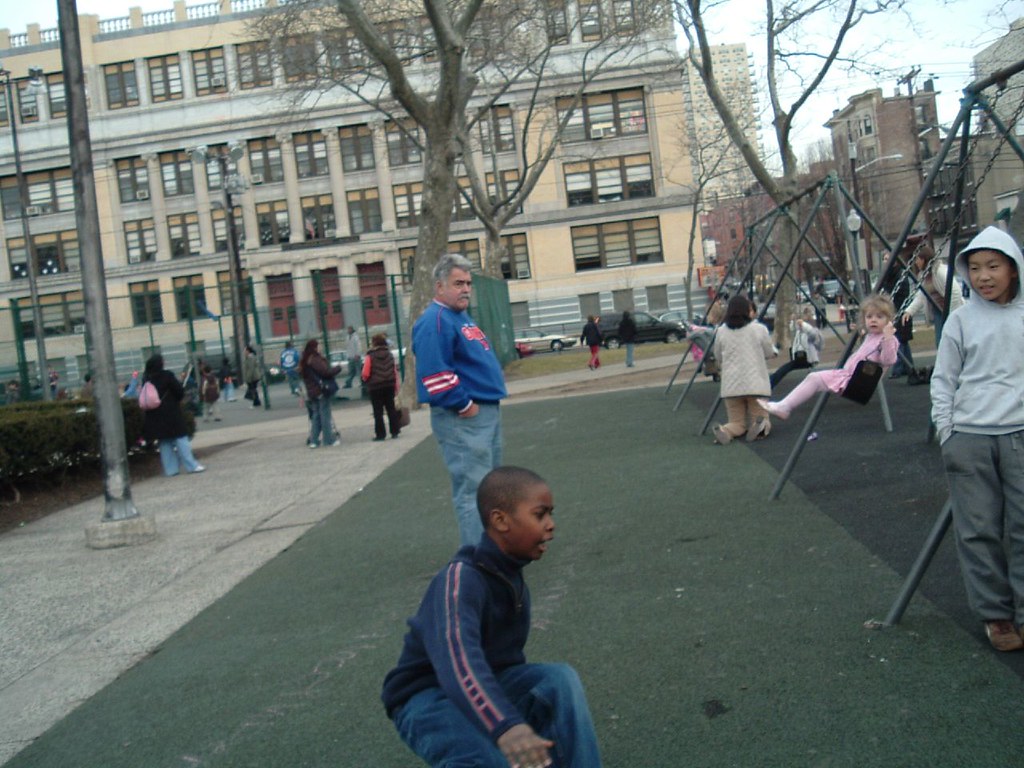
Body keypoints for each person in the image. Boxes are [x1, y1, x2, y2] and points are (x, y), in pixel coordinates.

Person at [381, 466, 602, 768]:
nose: (551, 525)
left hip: (488, 684)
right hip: (426, 697)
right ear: (500, 520)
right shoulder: (461, 579)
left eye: (551, 514)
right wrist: (506, 725)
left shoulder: (509, 575)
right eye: (540, 515)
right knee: (488, 760)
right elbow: (458, 662)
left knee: (558, 680)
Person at [930, 226, 1024, 652]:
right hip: (970, 437)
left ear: (1013, 268)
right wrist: (947, 431)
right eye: (976, 267)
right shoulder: (962, 319)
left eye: (994, 266)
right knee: (979, 528)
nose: (984, 276)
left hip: (1019, 434)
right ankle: (997, 615)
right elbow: (944, 379)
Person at [413, 253, 508, 547]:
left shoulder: (459, 316)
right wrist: (465, 405)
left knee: (489, 488)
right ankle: (477, 558)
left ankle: (490, 550)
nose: (466, 288)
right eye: (458, 283)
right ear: (439, 286)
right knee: (473, 490)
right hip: (463, 418)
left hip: (484, 414)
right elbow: (435, 374)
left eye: (468, 283)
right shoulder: (435, 319)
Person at [760, 293, 898, 420]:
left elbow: (889, 359)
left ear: (889, 321)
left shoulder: (889, 340)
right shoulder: (871, 336)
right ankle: (784, 406)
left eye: (879, 317)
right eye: (869, 317)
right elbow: (868, 346)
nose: (873, 320)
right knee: (813, 378)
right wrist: (861, 331)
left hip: (859, 383)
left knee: (814, 378)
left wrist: (888, 338)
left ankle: (784, 407)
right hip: (848, 377)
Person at [710, 295, 777, 444]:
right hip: (756, 384)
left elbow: (717, 356)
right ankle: (760, 426)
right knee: (760, 416)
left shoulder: (721, 331)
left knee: (737, 422)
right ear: (747, 310)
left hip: (731, 386)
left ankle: (726, 430)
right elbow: (769, 352)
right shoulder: (759, 329)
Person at [141, 353, 205, 476]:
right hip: (170, 413)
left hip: (154, 415)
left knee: (164, 442)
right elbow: (179, 392)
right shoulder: (167, 375)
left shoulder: (146, 378)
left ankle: (170, 469)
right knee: (181, 438)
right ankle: (191, 465)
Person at [901, 240, 964, 341]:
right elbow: (921, 295)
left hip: (949, 310)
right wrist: (909, 311)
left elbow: (955, 292)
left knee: (954, 338)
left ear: (924, 259)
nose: (916, 262)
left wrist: (950, 314)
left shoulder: (940, 271)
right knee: (940, 340)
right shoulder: (923, 275)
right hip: (938, 311)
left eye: (917, 259)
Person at [299, 338, 342, 449]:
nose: (320, 347)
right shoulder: (315, 359)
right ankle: (329, 440)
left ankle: (314, 440)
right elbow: (326, 372)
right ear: (314, 348)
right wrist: (338, 368)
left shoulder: (305, 360)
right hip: (321, 390)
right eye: (319, 346)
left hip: (312, 391)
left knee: (316, 416)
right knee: (325, 416)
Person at [769, 306, 822, 389]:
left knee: (784, 370)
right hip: (799, 358)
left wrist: (803, 324)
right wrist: (793, 321)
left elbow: (813, 335)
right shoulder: (800, 330)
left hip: (808, 359)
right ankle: (771, 382)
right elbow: (793, 329)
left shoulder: (812, 330)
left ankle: (770, 383)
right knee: (783, 370)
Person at [361, 332, 401, 441]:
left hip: (375, 387)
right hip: (389, 385)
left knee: (377, 411)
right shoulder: (390, 354)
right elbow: (394, 370)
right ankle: (395, 431)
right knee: (391, 408)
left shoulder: (370, 356)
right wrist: (396, 385)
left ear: (374, 343)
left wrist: (366, 381)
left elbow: (365, 373)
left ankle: (380, 434)